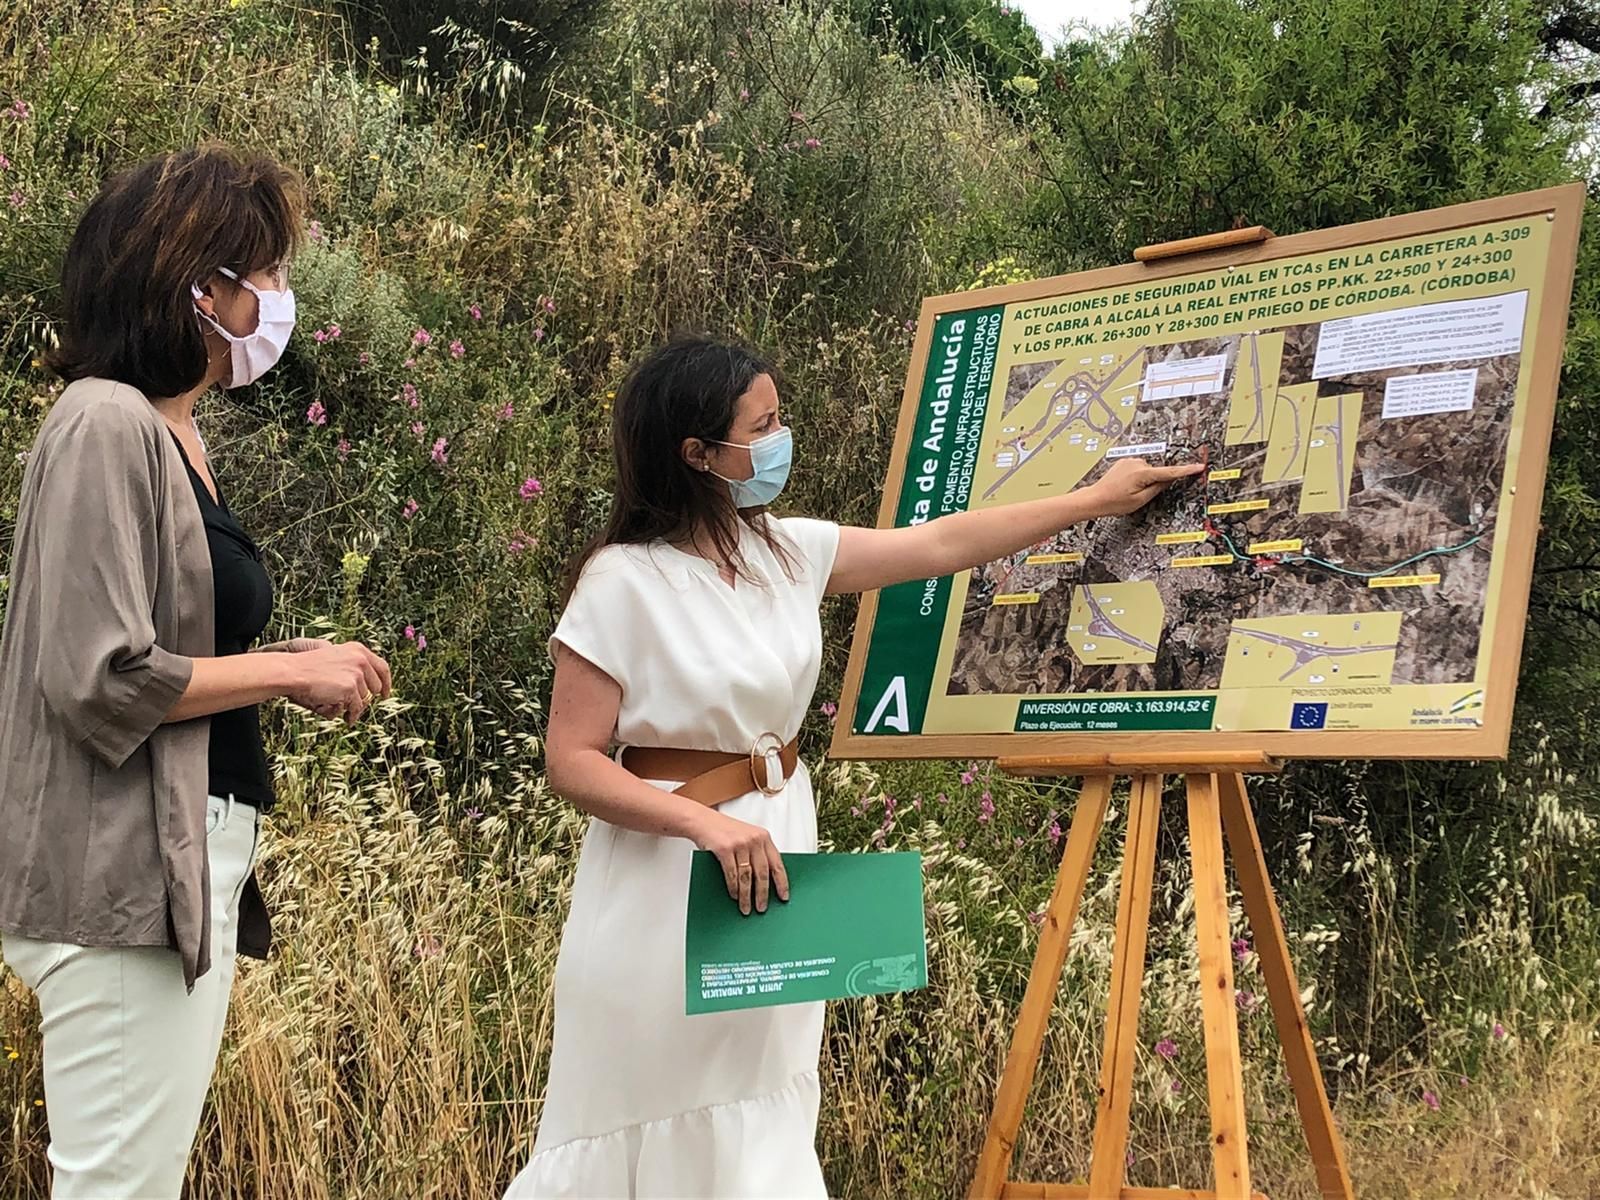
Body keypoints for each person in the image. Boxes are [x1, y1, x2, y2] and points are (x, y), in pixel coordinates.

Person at [504, 335, 1200, 1197]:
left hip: (777, 859)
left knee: (765, 1094)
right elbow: (570, 761)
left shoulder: (784, 552)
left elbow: (943, 544)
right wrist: (705, 824)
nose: (781, 437)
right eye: (763, 426)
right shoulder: (621, 581)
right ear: (698, 455)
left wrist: (1094, 499)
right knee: (661, 1099)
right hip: (662, 883)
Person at [0, 145, 392, 1199]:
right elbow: (101, 676)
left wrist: (284, 658)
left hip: (169, 862)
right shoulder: (104, 422)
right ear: (195, 288)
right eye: (259, 274)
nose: (277, 298)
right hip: (120, 871)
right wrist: (276, 673)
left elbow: (159, 645)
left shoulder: (171, 432)